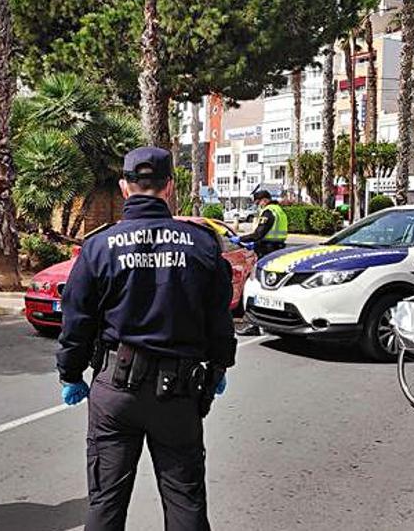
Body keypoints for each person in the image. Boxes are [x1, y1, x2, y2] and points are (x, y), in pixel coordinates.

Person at [57, 146, 237, 531]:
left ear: (125, 188)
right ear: (169, 187)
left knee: (106, 503)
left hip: (116, 391)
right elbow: (219, 317)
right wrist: (220, 366)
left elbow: (77, 318)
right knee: (185, 500)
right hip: (179, 392)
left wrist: (71, 374)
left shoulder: (100, 246)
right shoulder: (202, 243)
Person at [232, 189, 288, 335]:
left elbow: (259, 233)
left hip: (266, 253)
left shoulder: (269, 212)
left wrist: (241, 239)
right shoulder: (279, 211)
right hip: (277, 251)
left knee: (257, 288)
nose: (258, 206)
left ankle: (255, 325)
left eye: (258, 203)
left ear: (264, 200)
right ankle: (273, 323)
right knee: (273, 289)